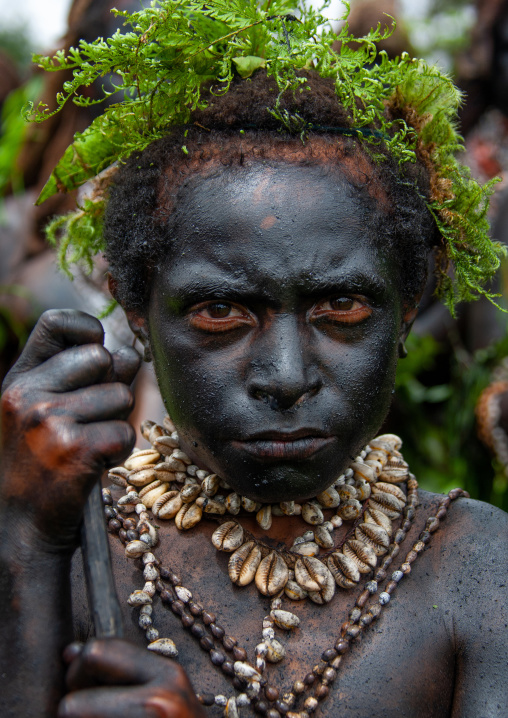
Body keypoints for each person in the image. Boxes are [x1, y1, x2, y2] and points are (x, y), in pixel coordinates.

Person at [0, 2, 507, 717]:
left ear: (410, 300)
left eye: (342, 308)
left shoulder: (477, 567)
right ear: (135, 312)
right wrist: (26, 535)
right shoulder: (70, 554)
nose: (287, 376)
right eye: (221, 312)